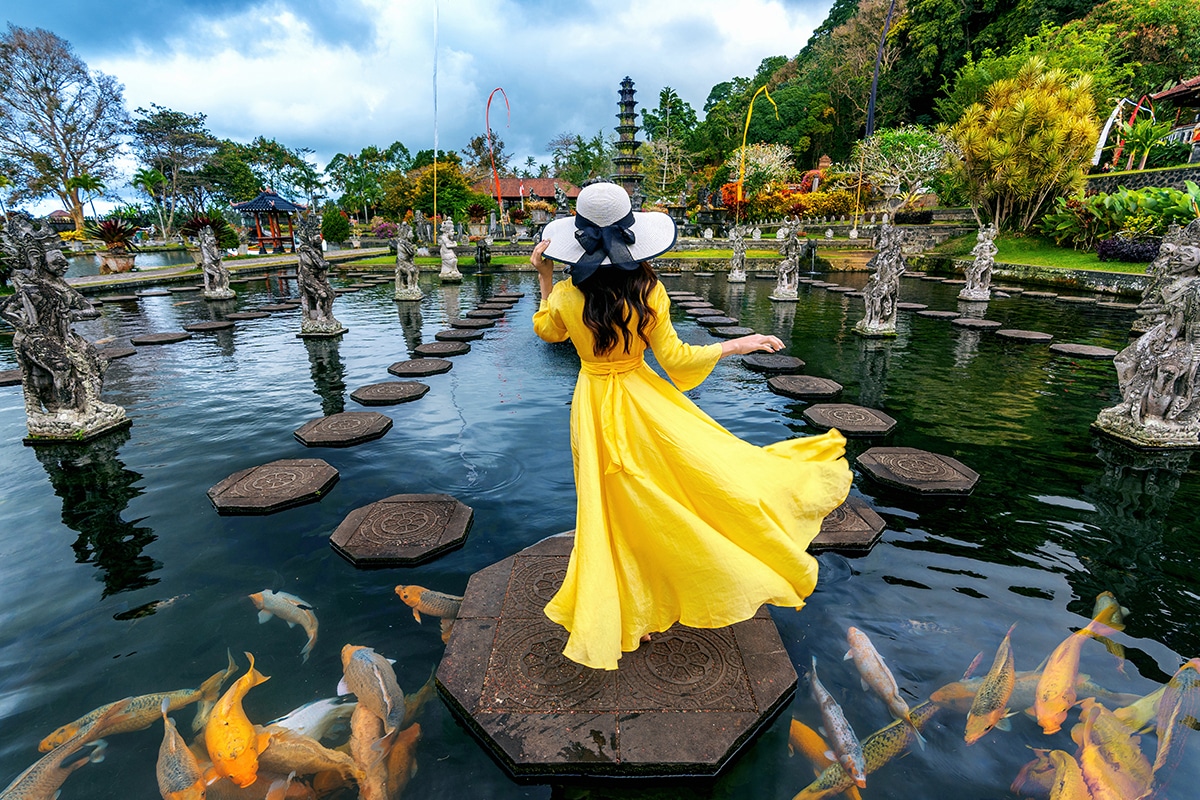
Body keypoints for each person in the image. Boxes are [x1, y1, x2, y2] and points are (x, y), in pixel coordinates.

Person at [531, 181, 853, 671]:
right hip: (642, 400)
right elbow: (678, 362)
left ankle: (625, 598)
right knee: (675, 486)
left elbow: (548, 331)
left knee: (607, 504)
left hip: (593, 405)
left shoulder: (565, 297)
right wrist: (734, 345)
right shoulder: (648, 291)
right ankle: (669, 579)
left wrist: (545, 275)